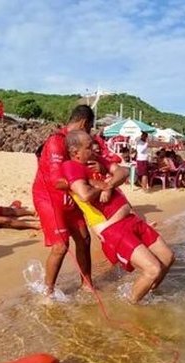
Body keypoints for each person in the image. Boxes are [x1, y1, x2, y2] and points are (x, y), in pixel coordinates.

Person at [62, 130, 174, 303]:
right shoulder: (71, 167)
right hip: (113, 228)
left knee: (168, 257)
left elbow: (123, 172)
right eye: (88, 146)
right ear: (75, 151)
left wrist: (108, 185)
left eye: (93, 144)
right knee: (153, 269)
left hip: (130, 218)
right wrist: (104, 184)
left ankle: (146, 294)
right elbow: (84, 195)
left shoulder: (97, 160)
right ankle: (132, 307)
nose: (94, 148)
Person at [32, 105, 121, 297]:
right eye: (89, 130)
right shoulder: (57, 142)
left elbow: (106, 168)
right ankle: (47, 293)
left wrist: (101, 170)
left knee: (84, 239)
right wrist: (93, 183)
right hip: (49, 197)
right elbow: (57, 182)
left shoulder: (82, 145)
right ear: (84, 123)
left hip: (72, 196)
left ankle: (87, 285)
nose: (90, 140)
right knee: (61, 246)